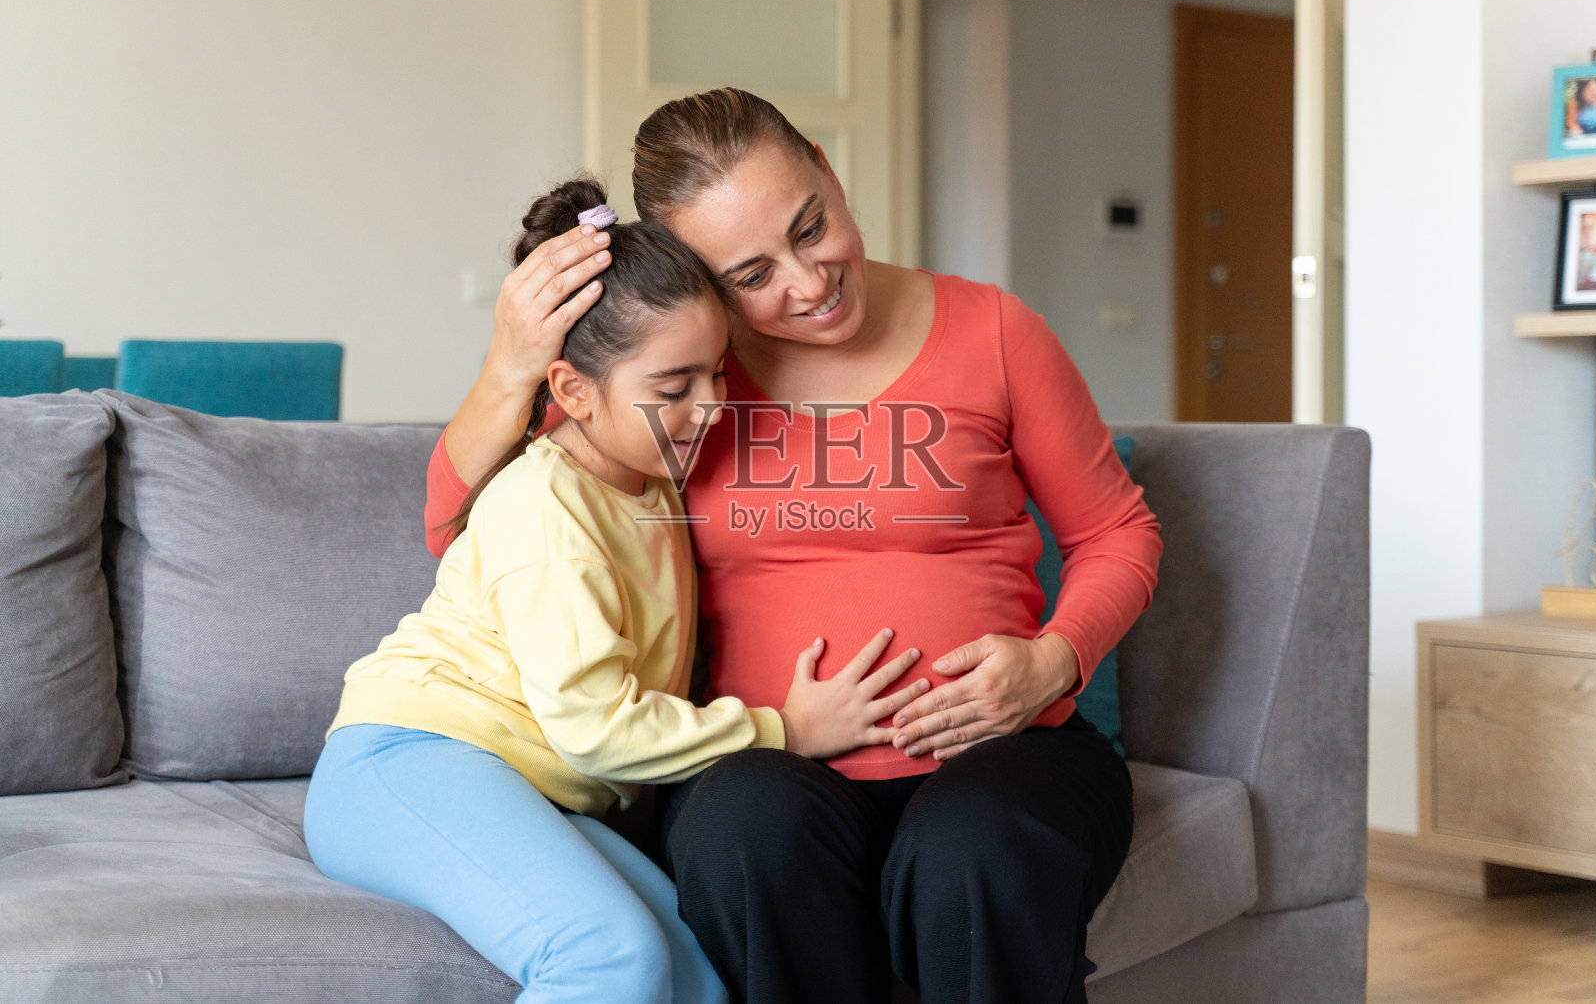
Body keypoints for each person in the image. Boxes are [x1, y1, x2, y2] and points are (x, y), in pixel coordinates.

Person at [425, 89, 1163, 1004]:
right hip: (766, 766)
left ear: (828, 165)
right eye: (751, 274)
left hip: (1007, 750)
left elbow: (1117, 530)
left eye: (812, 228)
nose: (809, 283)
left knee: (975, 850)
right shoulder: (680, 374)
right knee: (745, 831)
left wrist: (1054, 659)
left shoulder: (996, 330)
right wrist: (508, 365)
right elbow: (454, 524)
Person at [303, 177, 927, 1004]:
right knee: (608, 956)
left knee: (701, 975)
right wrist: (784, 730)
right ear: (571, 392)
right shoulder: (546, 507)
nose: (709, 407)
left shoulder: (648, 480)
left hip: (528, 786)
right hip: (407, 760)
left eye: (715, 373)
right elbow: (596, 727)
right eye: (674, 387)